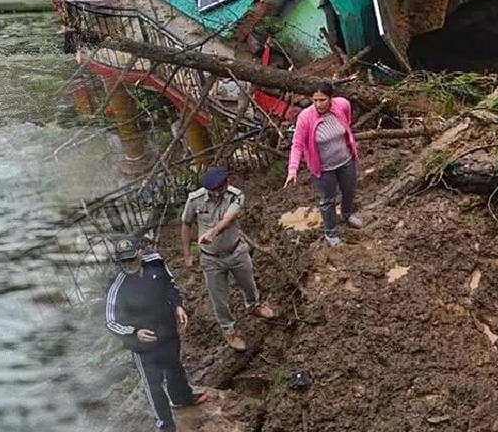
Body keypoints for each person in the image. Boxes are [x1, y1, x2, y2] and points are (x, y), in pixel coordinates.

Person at [105, 236, 208, 431]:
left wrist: (178, 305)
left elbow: (170, 285)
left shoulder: (156, 262)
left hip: (167, 330)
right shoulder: (116, 284)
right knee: (154, 385)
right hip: (142, 345)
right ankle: (165, 425)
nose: (128, 265)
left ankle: (182, 398)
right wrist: (134, 332)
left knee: (175, 367)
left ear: (140, 253)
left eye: (131, 259)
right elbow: (110, 321)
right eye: (123, 262)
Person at [180, 166, 276, 353]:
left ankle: (254, 305)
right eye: (212, 190)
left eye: (219, 189)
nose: (216, 193)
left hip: (236, 250)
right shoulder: (195, 199)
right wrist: (187, 254)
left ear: (226, 184)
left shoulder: (235, 195)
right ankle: (229, 330)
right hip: (211, 258)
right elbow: (186, 224)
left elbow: (230, 217)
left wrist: (213, 232)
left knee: (248, 283)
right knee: (219, 298)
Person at [284, 82, 361, 247]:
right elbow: (297, 145)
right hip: (324, 168)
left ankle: (347, 215)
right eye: (315, 100)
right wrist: (292, 170)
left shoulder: (342, 105)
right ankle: (331, 233)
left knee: (349, 190)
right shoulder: (305, 118)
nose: (318, 104)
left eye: (323, 100)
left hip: (345, 160)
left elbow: (346, 124)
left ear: (330, 98)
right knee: (327, 200)